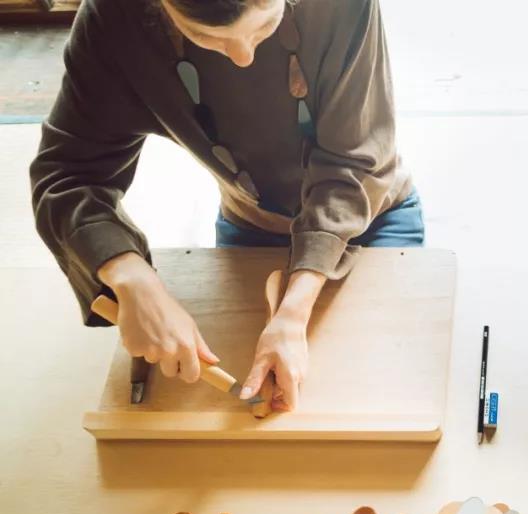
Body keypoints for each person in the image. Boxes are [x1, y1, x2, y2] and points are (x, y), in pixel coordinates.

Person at [31, 0, 420, 412]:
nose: (243, 56)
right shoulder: (115, 18)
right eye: (205, 36)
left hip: (371, 216)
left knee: (373, 391)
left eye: (265, 25)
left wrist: (294, 311)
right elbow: (67, 174)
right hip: (251, 222)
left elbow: (352, 161)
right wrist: (130, 276)